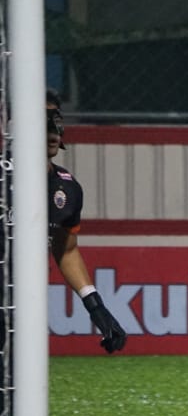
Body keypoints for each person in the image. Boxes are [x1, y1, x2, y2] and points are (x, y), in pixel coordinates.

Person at [46, 90, 127, 354]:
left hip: (22, 299)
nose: (52, 128)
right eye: (42, 118)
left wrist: (95, 306)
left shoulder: (67, 189)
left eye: (56, 118)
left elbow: (65, 249)